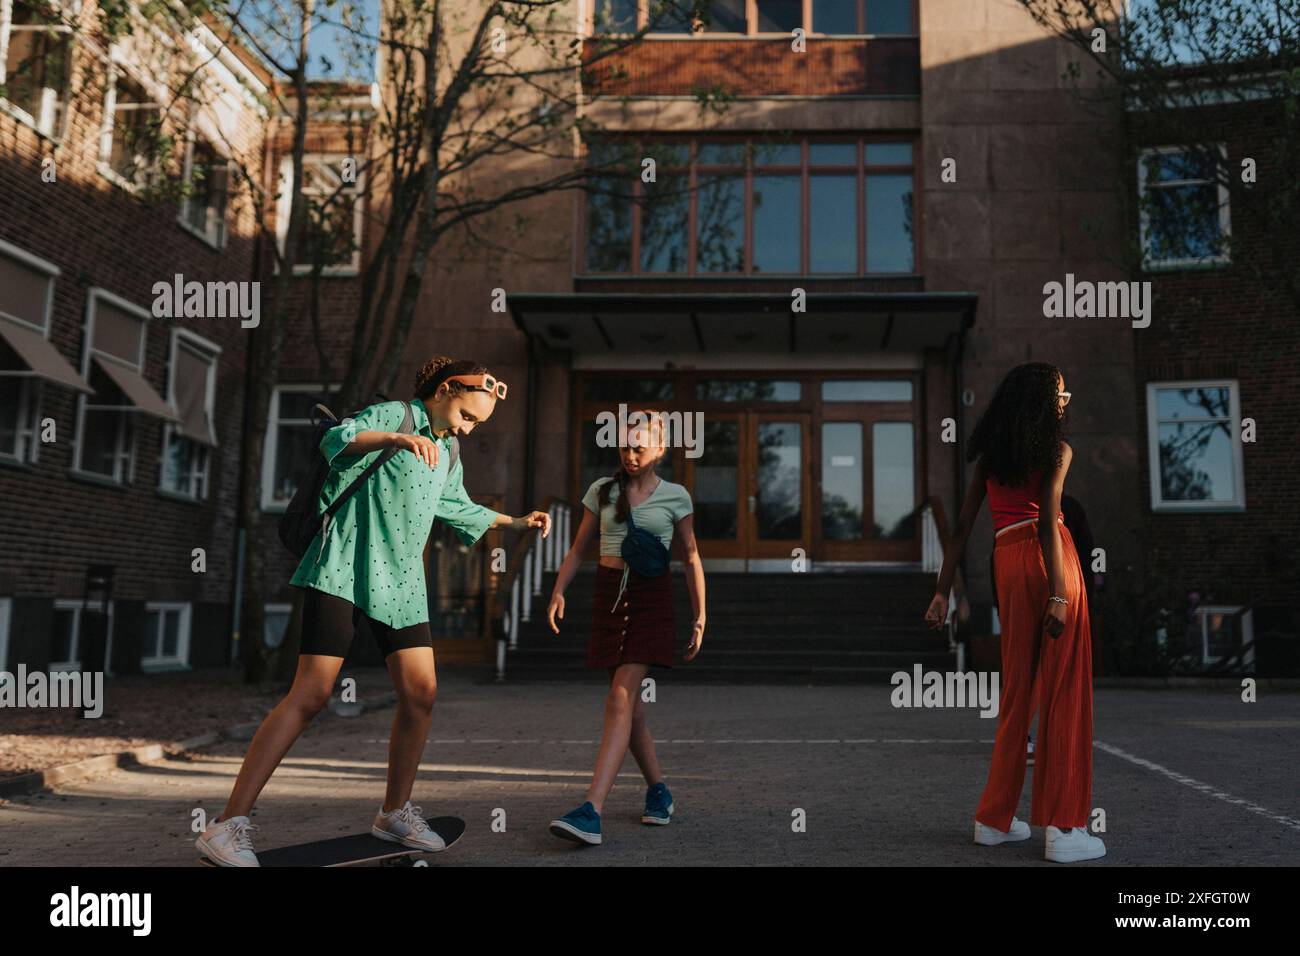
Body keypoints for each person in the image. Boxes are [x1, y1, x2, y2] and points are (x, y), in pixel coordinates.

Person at [196, 357, 551, 866]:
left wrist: (515, 520)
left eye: (476, 423)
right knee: (311, 695)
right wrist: (395, 439)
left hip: (402, 583)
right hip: (344, 565)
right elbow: (337, 439)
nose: (468, 429)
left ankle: (393, 813)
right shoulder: (396, 416)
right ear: (446, 390)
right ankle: (227, 826)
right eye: (467, 416)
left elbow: (456, 505)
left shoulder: (449, 449)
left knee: (421, 694)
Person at [924, 362, 1104, 863]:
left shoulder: (991, 458)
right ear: (1043, 403)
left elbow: (960, 529)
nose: (1067, 401)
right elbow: (1048, 518)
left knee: (1017, 692)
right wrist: (1062, 594)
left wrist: (942, 593)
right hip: (1050, 560)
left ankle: (993, 820)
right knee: (1066, 687)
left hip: (1006, 559)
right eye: (1062, 394)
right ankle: (1065, 830)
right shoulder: (1057, 451)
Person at [544, 408, 706, 845]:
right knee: (630, 711)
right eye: (625, 445)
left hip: (652, 598)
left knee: (619, 695)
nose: (630, 453)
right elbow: (579, 549)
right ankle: (659, 791)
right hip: (608, 596)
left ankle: (591, 810)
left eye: (639, 446)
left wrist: (700, 615)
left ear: (660, 449)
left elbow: (690, 559)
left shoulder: (676, 496)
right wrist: (558, 590)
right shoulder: (602, 490)